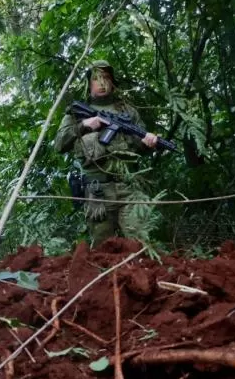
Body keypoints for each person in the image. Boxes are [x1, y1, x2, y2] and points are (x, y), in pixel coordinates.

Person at [54, 60, 162, 244]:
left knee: (140, 243)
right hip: (98, 191)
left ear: (113, 82)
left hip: (129, 187)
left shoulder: (128, 111)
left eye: (106, 78)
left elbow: (137, 149)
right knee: (103, 250)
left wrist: (148, 143)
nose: (101, 83)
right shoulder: (77, 112)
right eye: (96, 78)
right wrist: (83, 125)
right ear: (89, 85)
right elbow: (59, 145)